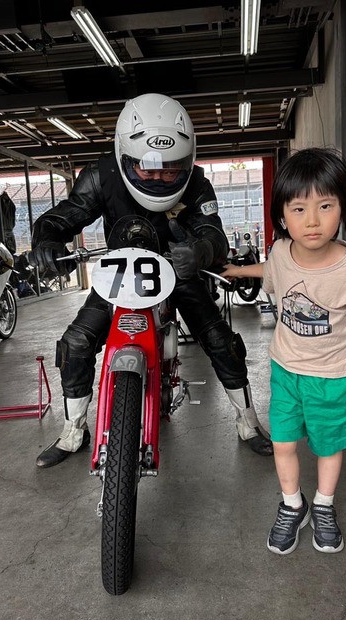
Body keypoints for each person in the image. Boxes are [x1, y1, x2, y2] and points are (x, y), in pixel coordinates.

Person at [28, 93, 272, 468]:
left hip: (179, 271)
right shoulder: (100, 176)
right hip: (119, 273)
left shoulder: (197, 183)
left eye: (170, 169)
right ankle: (73, 430)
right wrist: (46, 241)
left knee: (221, 341)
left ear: (186, 161)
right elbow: (63, 217)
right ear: (124, 155)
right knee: (75, 343)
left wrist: (200, 251)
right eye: (147, 167)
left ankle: (248, 422)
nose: (158, 175)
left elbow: (214, 232)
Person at [221, 148, 346, 554]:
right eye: (298, 209)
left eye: (325, 206)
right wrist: (239, 270)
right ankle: (293, 504)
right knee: (283, 443)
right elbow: (272, 271)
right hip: (286, 370)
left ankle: (324, 505)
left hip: (334, 376)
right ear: (282, 216)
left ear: (343, 207)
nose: (312, 221)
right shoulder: (281, 252)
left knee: (328, 447)